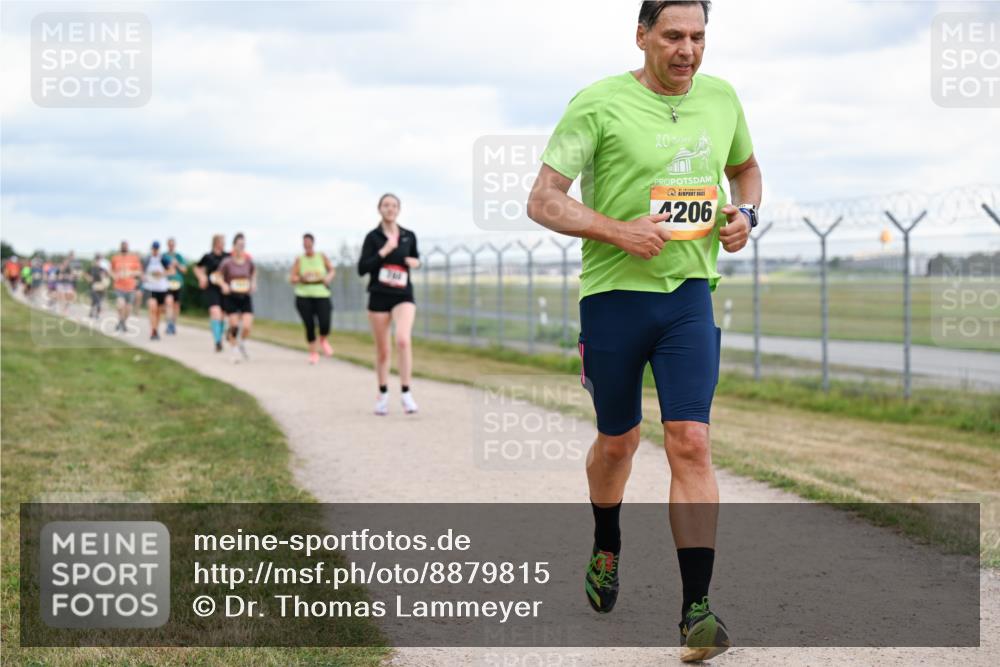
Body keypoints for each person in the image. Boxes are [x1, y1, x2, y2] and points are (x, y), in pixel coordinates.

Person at [527, 1, 761, 661]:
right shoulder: (598, 102)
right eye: (673, 36)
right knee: (618, 442)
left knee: (690, 442)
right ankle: (607, 541)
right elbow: (542, 197)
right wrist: (617, 229)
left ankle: (698, 612)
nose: (687, 50)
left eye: (698, 37)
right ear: (643, 36)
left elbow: (747, 169)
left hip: (689, 296)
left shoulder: (722, 98)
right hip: (613, 299)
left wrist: (746, 212)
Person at [357, 193, 421, 416]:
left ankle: (406, 393)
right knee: (383, 350)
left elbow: (415, 258)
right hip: (379, 296)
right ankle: (383, 394)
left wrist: (416, 262)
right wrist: (383, 252)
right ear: (379, 209)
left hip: (402, 294)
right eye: (386, 205)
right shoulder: (372, 237)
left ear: (399, 209)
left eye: (394, 205)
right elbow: (362, 268)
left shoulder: (408, 236)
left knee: (403, 340)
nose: (390, 208)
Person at [290, 233, 336, 365]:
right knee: (309, 325)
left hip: (321, 294)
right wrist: (301, 278)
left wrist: (328, 278)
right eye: (304, 242)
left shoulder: (321, 256)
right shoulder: (299, 259)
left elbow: (332, 270)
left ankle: (323, 339)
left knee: (325, 322)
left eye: (309, 242)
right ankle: (313, 353)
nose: (307, 245)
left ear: (313, 243)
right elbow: (292, 278)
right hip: (304, 295)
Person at [218, 233, 255, 363]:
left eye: (243, 245)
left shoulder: (249, 261)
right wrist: (223, 285)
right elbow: (218, 276)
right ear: (234, 246)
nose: (241, 247)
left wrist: (253, 283)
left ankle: (242, 343)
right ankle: (234, 351)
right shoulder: (227, 262)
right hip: (231, 296)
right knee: (234, 325)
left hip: (245, 296)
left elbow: (253, 273)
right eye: (239, 245)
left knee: (246, 326)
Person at [194, 235, 229, 352]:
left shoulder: (227, 256)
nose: (223, 244)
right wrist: (201, 277)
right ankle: (218, 341)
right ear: (215, 243)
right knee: (215, 312)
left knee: (223, 315)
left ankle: (220, 336)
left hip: (223, 288)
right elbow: (197, 268)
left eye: (224, 242)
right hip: (212, 288)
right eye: (221, 241)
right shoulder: (208, 257)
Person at [142, 241, 171, 341]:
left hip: (162, 288)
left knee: (159, 311)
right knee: (152, 308)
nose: (155, 250)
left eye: (157, 249)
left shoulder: (163, 259)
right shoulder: (147, 259)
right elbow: (142, 272)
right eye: (154, 249)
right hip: (150, 288)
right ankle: (152, 330)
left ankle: (156, 329)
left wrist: (161, 274)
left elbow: (171, 270)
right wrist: (144, 277)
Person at [110, 241, 142, 333]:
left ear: (128, 247)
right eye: (123, 246)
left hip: (130, 287)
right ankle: (121, 320)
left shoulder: (133, 258)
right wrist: (114, 276)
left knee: (128, 308)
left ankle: (122, 322)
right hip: (119, 286)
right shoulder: (115, 258)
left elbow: (139, 272)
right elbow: (111, 270)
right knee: (120, 304)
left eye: (126, 246)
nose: (124, 248)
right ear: (120, 247)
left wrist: (130, 272)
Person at [162, 237, 187, 335]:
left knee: (176, 306)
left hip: (178, 283)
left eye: (173, 244)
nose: (171, 246)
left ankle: (173, 324)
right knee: (168, 302)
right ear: (167, 245)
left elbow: (184, 270)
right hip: (167, 283)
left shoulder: (179, 256)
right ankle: (169, 324)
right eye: (170, 244)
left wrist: (177, 265)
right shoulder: (163, 256)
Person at [85, 253, 111, 320]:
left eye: (99, 260)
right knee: (97, 301)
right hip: (93, 287)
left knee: (96, 301)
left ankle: (92, 313)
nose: (98, 262)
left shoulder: (103, 269)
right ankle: (96, 315)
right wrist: (89, 278)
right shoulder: (92, 268)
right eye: (97, 260)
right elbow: (86, 274)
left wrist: (104, 277)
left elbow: (107, 277)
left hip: (102, 287)